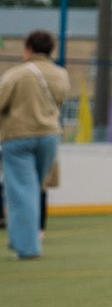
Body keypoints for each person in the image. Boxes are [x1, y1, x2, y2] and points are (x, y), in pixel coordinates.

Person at [1, 31, 71, 260]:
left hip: (18, 137)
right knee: (34, 189)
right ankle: (22, 238)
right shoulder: (61, 75)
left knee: (22, 191)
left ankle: (27, 247)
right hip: (50, 137)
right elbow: (60, 101)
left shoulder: (17, 75)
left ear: (28, 49)